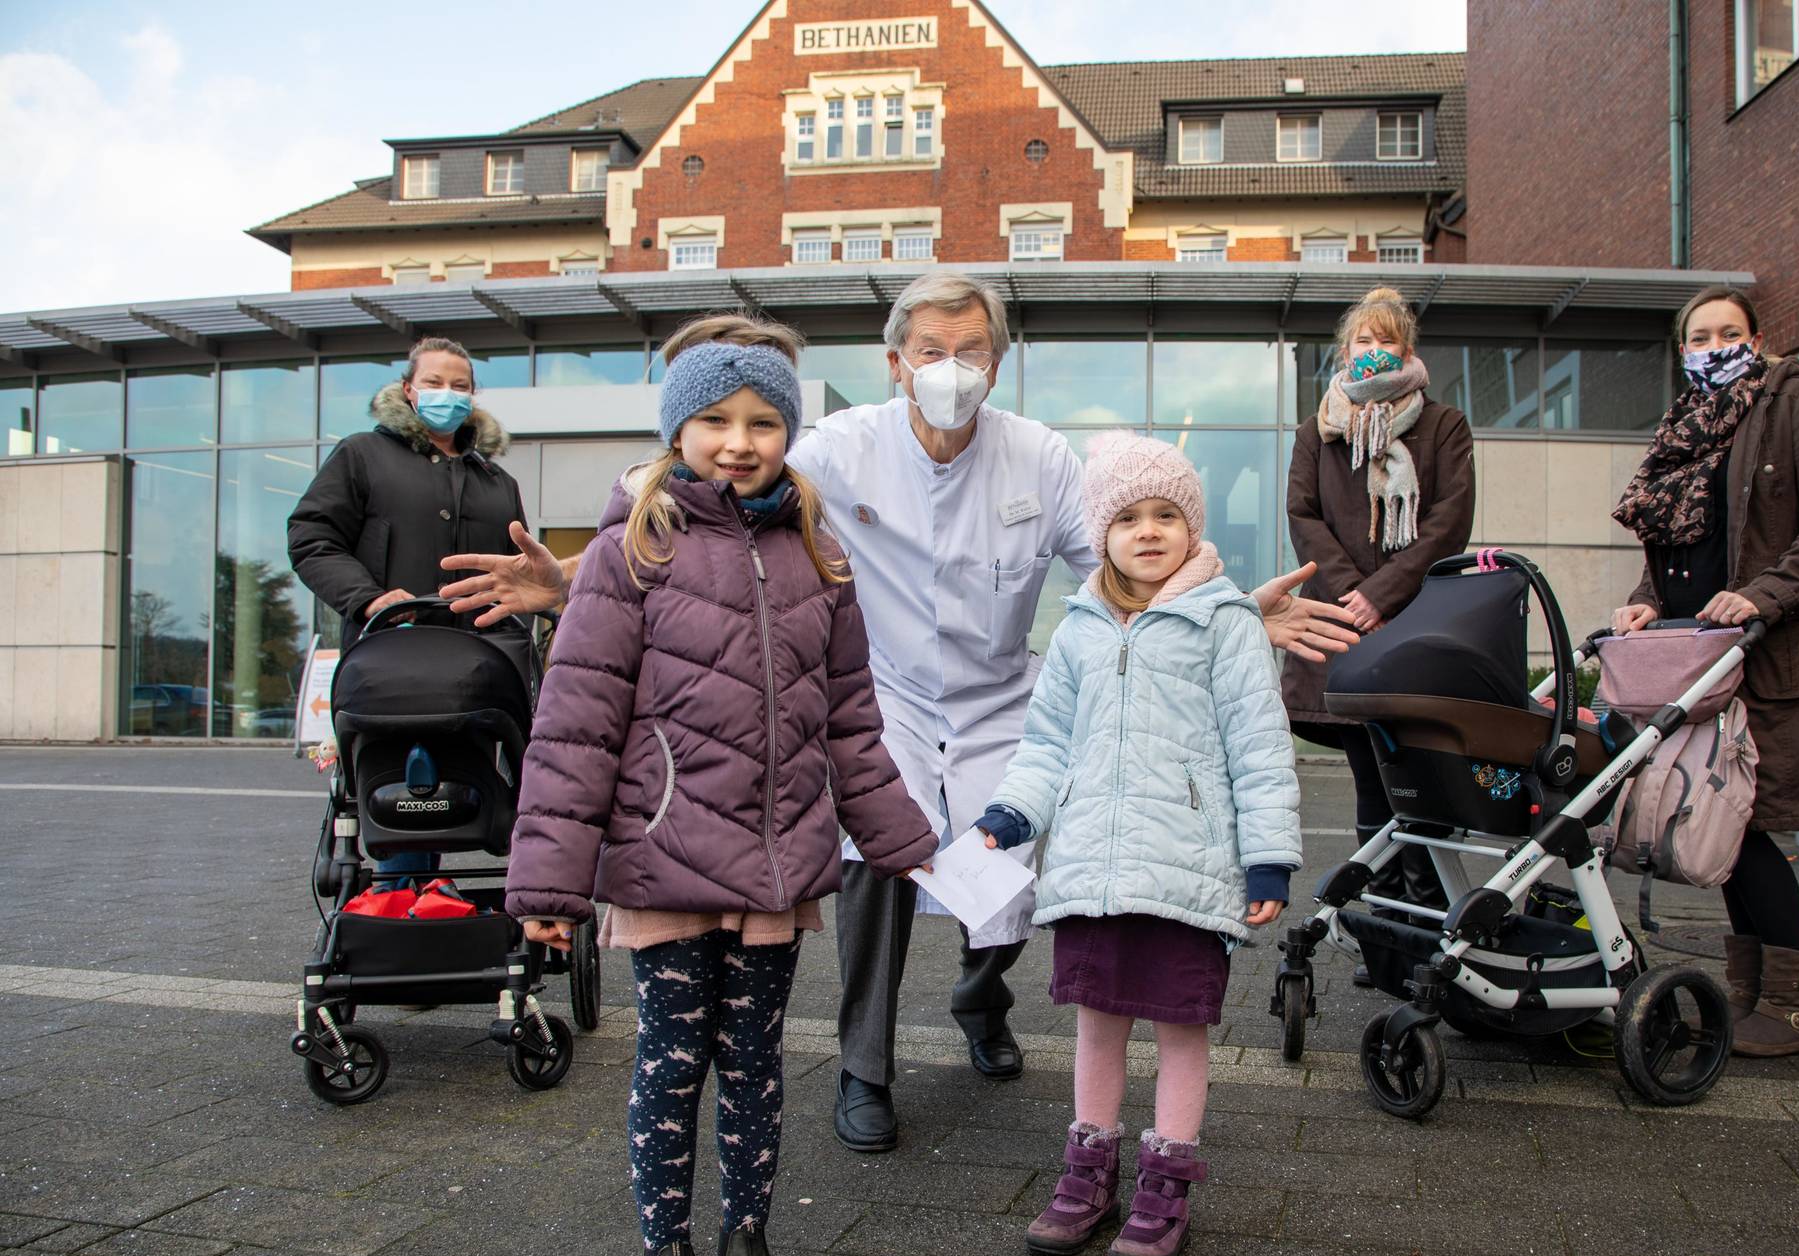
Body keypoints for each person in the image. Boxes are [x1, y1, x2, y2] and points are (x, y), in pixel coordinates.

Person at [437, 271, 1357, 1154]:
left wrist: (1220, 609)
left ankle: (979, 995)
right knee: (874, 855)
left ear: (996, 365)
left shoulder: (1037, 455)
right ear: (895, 362)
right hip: (883, 694)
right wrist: (576, 580)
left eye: (970, 350)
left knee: (1015, 854)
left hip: (1002, 697)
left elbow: (1120, 569)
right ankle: (864, 1068)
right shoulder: (839, 447)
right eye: (930, 348)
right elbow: (712, 491)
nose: (949, 366)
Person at [501, 314, 937, 1256]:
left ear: (788, 432)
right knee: (670, 1063)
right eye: (712, 419)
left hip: (778, 869)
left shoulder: (819, 557)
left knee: (755, 1070)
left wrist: (901, 838)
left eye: (760, 421)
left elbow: (851, 721)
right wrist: (550, 880)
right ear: (676, 428)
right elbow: (577, 722)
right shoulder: (628, 551)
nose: (737, 441)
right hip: (664, 864)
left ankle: (748, 1247)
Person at [972, 432, 1299, 1256]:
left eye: (1165, 515)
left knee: (1182, 1028)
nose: (1147, 531)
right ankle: (1088, 1174)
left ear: (1192, 528)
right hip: (1094, 867)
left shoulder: (1226, 620)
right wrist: (1013, 813)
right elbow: (1047, 742)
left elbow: (1259, 746)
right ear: (1100, 532)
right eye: (1126, 517)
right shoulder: (1079, 627)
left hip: (1187, 868)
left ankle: (1166, 1185)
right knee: (1097, 1022)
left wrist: (1269, 858)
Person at [1610, 285, 1799, 1058]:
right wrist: (1647, 600)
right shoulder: (1687, 424)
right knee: (1719, 818)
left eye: (1728, 332)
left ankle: (1793, 1009)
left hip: (1766, 656)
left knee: (1739, 823)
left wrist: (1760, 595)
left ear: (1756, 338)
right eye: (1699, 335)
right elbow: (1676, 550)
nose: (1713, 345)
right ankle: (1756, 992)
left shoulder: (1798, 403)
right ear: (1682, 350)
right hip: (1693, 653)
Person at [1283, 287, 1476, 976]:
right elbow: (1302, 515)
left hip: (1415, 623)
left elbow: (1450, 522)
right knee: (1370, 781)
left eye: (1385, 339)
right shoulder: (1318, 429)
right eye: (1361, 341)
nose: (1372, 352)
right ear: (1345, 352)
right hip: (1343, 625)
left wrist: (1386, 591)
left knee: (1417, 778)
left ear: (1408, 350)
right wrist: (1352, 592)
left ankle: (1426, 929)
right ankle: (1385, 935)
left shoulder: (1443, 427)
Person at [288, 336, 527, 887]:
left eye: (461, 385)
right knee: (404, 788)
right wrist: (368, 596)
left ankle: (506, 896)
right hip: (391, 667)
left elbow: (520, 572)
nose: (449, 394)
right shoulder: (362, 456)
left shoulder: (497, 482)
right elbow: (312, 538)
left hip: (482, 667)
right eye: (435, 382)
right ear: (408, 390)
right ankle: (402, 905)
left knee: (493, 781)